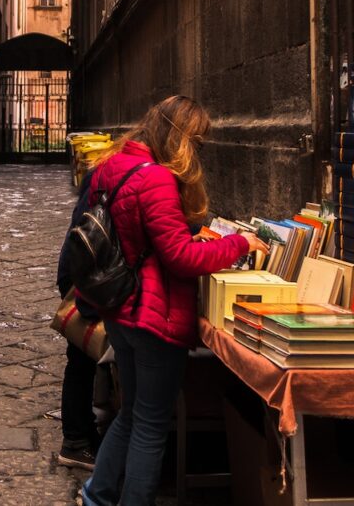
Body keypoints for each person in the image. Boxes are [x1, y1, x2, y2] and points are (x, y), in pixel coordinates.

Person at [79, 96, 268, 506]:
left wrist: (184, 232)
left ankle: (97, 495)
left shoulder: (114, 164)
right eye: (195, 140)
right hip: (154, 316)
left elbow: (140, 232)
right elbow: (180, 259)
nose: (197, 150)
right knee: (150, 423)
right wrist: (238, 243)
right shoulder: (157, 179)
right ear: (179, 137)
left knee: (130, 413)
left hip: (120, 308)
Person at [55, 169, 104, 469]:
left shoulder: (103, 169)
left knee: (82, 358)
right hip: (87, 271)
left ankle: (82, 428)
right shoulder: (129, 176)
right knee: (81, 355)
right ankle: (75, 440)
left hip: (80, 266)